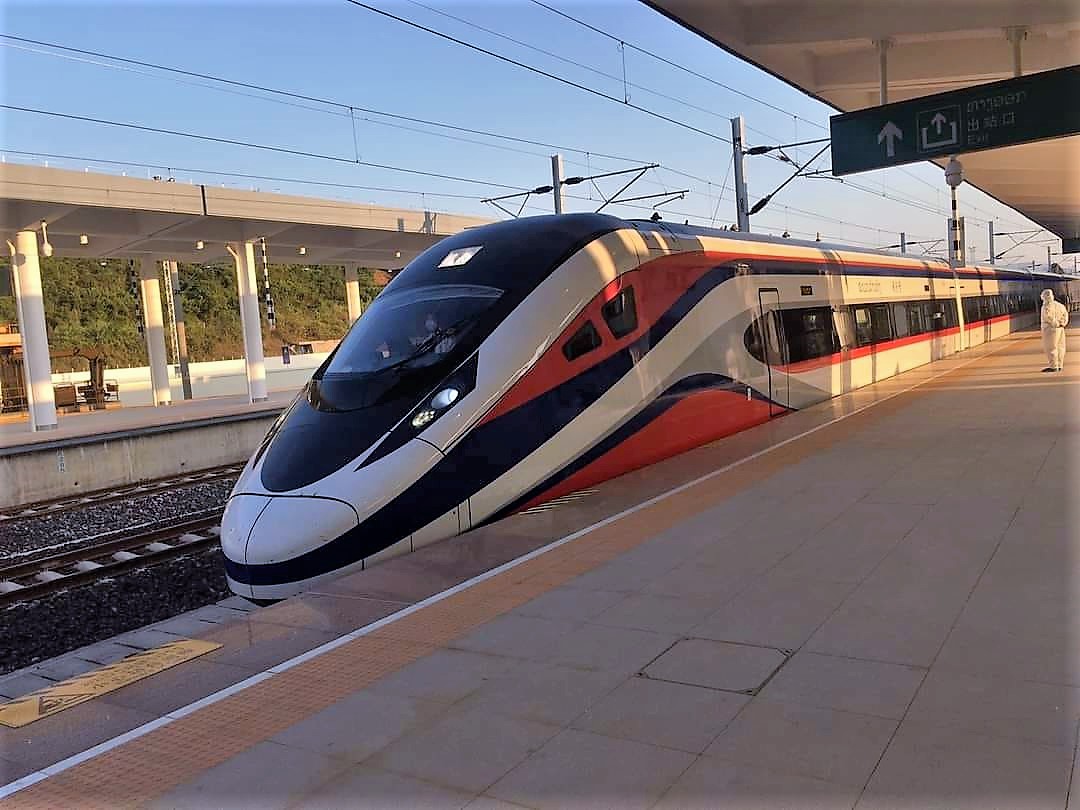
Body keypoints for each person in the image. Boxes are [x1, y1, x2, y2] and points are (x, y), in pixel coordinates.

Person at [1040, 289, 1069, 372]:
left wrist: (1055, 323)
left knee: (1051, 347)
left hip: (1050, 330)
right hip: (1060, 329)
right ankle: (1060, 365)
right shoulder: (1060, 305)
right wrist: (1062, 323)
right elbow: (1065, 314)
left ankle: (1053, 366)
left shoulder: (1046, 306)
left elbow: (1048, 317)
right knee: (1060, 347)